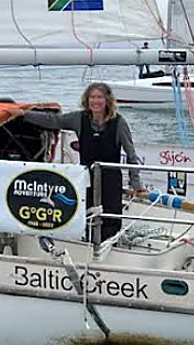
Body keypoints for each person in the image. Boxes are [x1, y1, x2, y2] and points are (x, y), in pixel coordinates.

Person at [23, 83, 146, 242]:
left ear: (107, 100)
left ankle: (108, 248)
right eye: (92, 97)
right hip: (87, 178)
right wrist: (23, 115)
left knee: (110, 220)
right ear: (87, 100)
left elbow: (131, 154)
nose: (95, 101)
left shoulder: (119, 122)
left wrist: (136, 184)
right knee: (88, 216)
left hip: (110, 179)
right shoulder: (78, 119)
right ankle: (89, 245)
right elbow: (54, 121)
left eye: (99, 97)